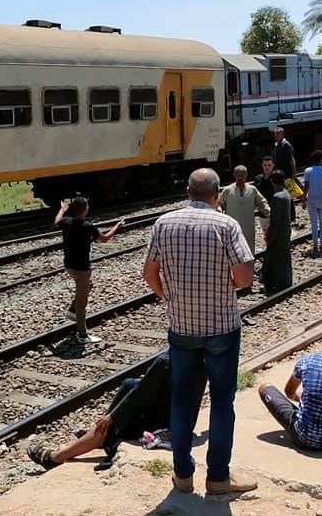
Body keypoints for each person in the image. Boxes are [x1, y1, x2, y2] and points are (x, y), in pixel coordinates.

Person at [143, 168, 258, 495]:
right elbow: (245, 277)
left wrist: (168, 296)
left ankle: (182, 476)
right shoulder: (227, 225)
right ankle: (218, 477)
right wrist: (230, 285)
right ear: (217, 193)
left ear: (188, 193)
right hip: (221, 327)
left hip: (181, 328)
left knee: (181, 401)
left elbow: (149, 273)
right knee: (222, 403)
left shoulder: (163, 224)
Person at [27, 352, 206, 471]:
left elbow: (140, 397)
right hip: (183, 420)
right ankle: (100, 436)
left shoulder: (166, 361)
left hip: (165, 428)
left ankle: (58, 457)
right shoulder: (201, 355)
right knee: (130, 384)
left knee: (123, 408)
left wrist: (111, 417)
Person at [54, 198, 123, 344]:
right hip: (81, 268)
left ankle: (72, 311)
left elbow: (57, 221)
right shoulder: (87, 226)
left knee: (87, 286)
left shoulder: (66, 221)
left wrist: (62, 209)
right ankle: (82, 335)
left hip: (69, 266)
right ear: (85, 208)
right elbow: (104, 239)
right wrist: (116, 228)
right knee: (82, 303)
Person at [219, 165, 271, 265]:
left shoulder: (252, 190)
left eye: (242, 175)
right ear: (234, 175)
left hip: (248, 229)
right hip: (232, 230)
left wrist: (270, 213)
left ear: (246, 175)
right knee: (232, 252)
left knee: (249, 251)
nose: (240, 177)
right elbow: (220, 204)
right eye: (238, 175)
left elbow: (262, 203)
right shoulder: (227, 190)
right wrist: (219, 210)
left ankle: (249, 272)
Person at [261, 170, 293, 294]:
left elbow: (275, 220)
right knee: (284, 258)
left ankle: (274, 284)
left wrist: (270, 235)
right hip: (285, 231)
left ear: (272, 181)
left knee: (274, 258)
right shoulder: (286, 194)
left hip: (278, 233)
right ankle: (286, 281)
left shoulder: (276, 197)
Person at [301, 150, 322, 257]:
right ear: (321, 159)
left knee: (314, 223)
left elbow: (306, 187)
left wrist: (303, 199)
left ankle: (315, 244)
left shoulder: (308, 171)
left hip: (312, 200)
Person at [272, 127, 298, 223]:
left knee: (289, 196)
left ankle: (292, 217)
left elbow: (292, 159)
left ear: (282, 134)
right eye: (275, 134)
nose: (275, 136)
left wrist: (293, 173)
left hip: (286, 174)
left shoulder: (286, 145)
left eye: (277, 134)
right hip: (279, 174)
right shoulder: (276, 145)